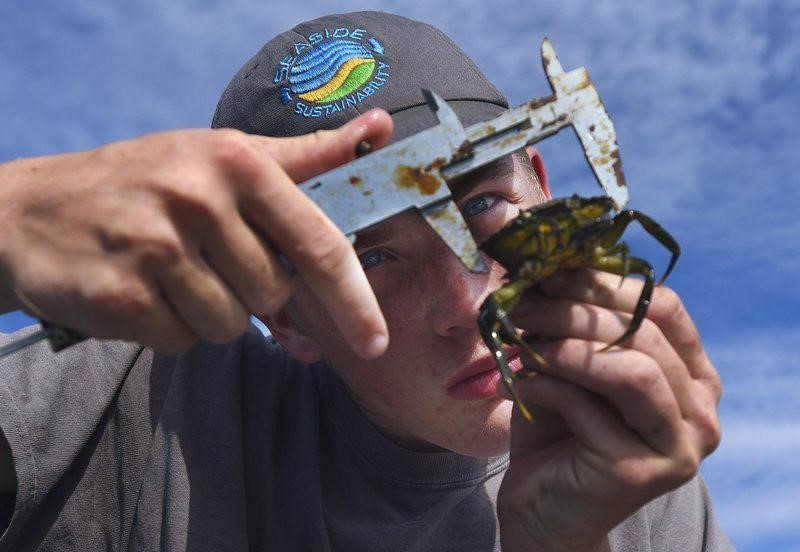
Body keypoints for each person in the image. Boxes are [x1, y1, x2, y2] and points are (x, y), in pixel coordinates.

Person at [0, 10, 731, 551]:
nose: (468, 302)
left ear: (539, 184)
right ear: (283, 316)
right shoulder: (127, 404)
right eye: (366, 257)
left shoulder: (633, 480)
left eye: (481, 206)